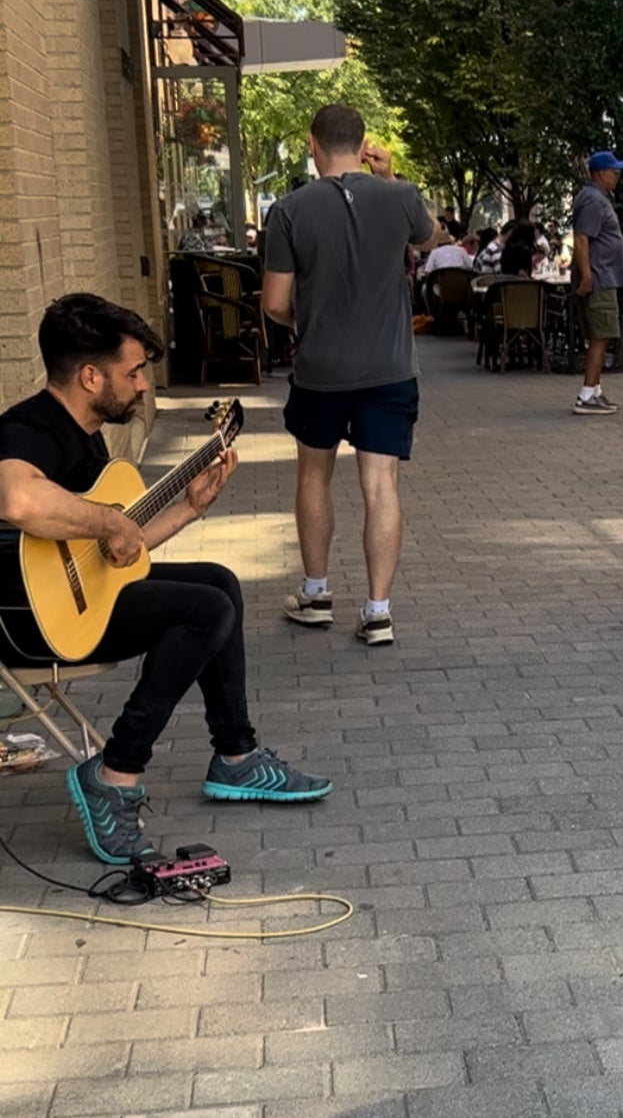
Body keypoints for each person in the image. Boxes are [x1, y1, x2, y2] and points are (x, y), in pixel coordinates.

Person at [0, 294, 331, 865]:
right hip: (29, 623)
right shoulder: (30, 428)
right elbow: (18, 499)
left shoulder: (86, 433)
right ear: (88, 375)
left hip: (72, 603)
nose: (144, 386)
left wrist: (187, 509)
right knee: (202, 610)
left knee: (219, 584)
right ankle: (115, 772)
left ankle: (235, 756)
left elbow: (115, 553)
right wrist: (108, 520)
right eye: (132, 372)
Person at [263, 104, 443, 647]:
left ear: (313, 144)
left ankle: (316, 594)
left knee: (313, 477)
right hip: (389, 369)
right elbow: (430, 238)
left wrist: (308, 318)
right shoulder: (400, 197)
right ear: (365, 144)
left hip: (321, 369)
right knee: (380, 486)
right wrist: (390, 177)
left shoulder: (289, 210)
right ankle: (378, 609)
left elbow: (274, 302)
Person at [571, 150, 623, 416]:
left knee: (601, 335)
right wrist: (587, 275)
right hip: (600, 276)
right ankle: (586, 394)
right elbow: (582, 238)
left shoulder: (595, 198)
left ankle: (595, 390)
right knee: (600, 335)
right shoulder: (594, 200)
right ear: (600, 173)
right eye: (613, 171)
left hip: (603, 275)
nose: (617, 176)